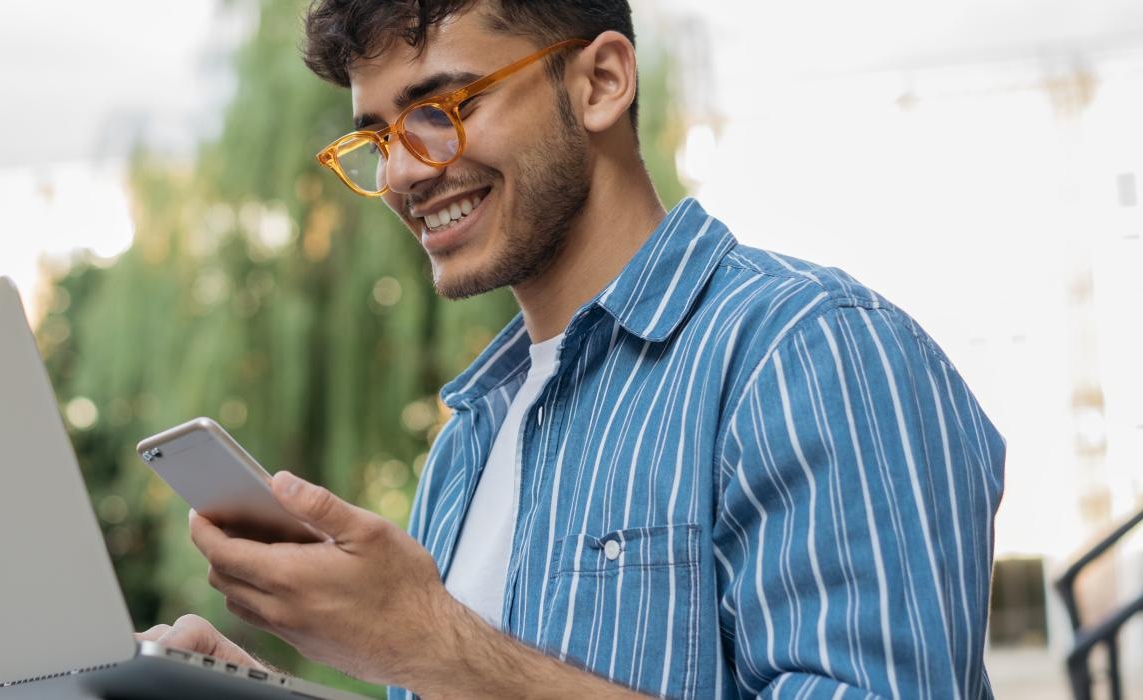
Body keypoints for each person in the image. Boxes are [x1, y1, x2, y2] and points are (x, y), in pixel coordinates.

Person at [137, 1, 1005, 697]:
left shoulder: (809, 352)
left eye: (443, 107)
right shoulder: (467, 442)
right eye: (378, 137)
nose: (402, 173)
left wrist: (429, 642)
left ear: (601, 82)